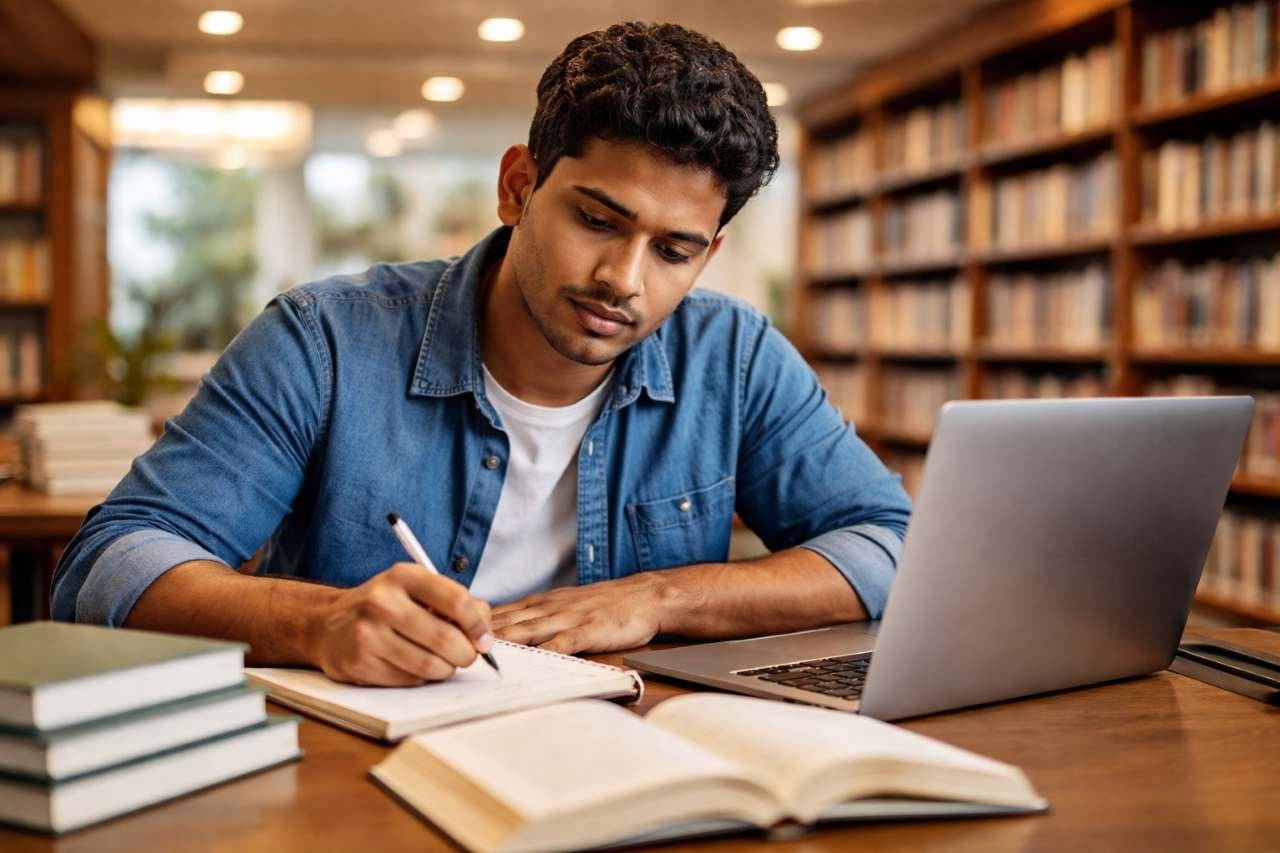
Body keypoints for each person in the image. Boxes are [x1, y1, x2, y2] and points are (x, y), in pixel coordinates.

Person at [52, 22, 911, 687]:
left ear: (708, 255)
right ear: (518, 187)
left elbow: (888, 544)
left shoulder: (733, 355)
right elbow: (109, 564)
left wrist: (658, 596)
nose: (623, 279)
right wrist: (315, 621)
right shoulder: (324, 338)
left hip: (628, 759)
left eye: (673, 251)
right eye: (598, 220)